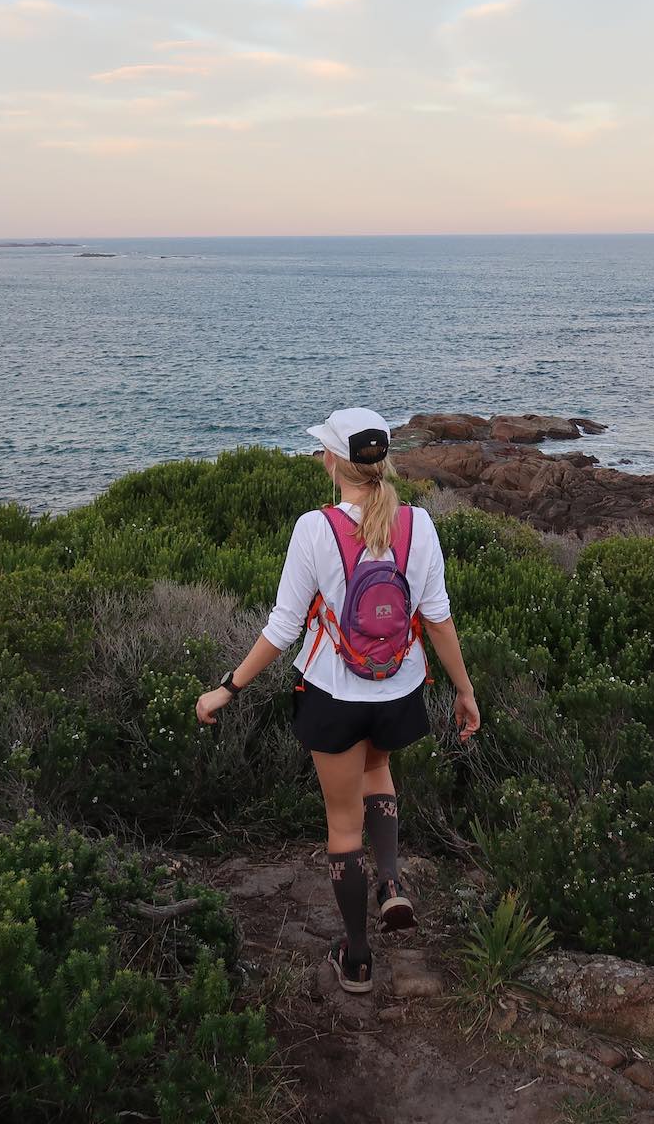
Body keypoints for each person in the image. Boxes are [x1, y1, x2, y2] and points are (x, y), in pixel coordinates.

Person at [195, 407, 480, 994]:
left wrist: (228, 687)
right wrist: (464, 689)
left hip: (333, 694)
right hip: (400, 689)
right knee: (379, 770)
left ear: (332, 461)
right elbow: (439, 619)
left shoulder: (315, 528)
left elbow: (282, 628)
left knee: (342, 826)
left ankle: (356, 957)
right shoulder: (418, 525)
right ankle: (392, 885)